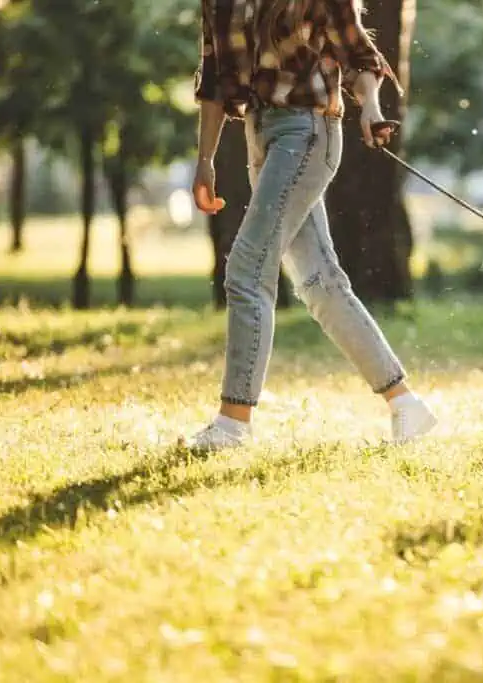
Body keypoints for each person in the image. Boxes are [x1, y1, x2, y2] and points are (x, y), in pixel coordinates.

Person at [186, 0, 436, 451]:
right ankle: (406, 405)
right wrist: (204, 160)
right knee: (321, 282)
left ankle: (232, 423)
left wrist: (371, 109)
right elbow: (215, 80)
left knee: (247, 268)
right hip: (260, 135)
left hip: (307, 133)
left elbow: (360, 56)